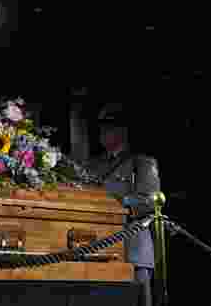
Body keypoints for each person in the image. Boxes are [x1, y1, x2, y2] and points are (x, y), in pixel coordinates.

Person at [85, 102, 161, 306]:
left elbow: (150, 200)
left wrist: (113, 205)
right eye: (101, 128)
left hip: (133, 248)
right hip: (100, 246)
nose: (103, 133)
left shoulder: (142, 163)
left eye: (109, 127)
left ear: (122, 131)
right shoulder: (92, 165)